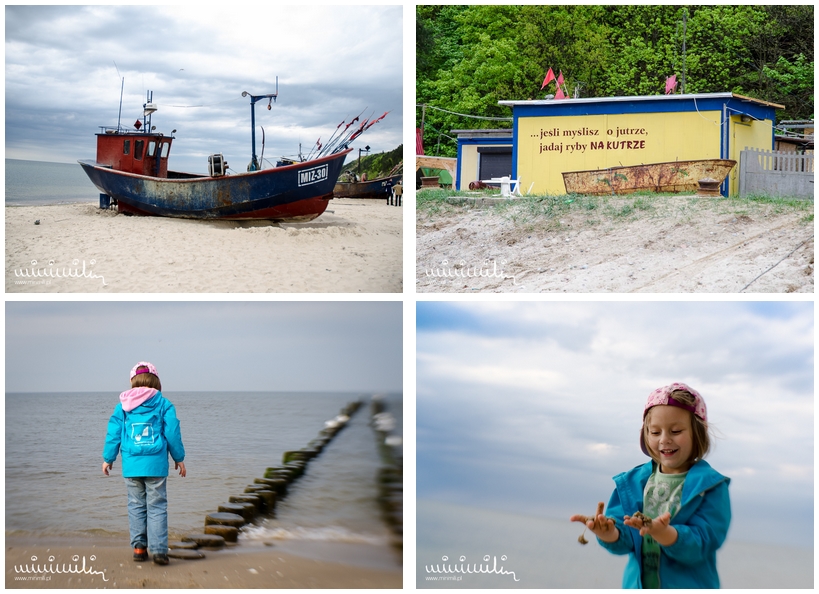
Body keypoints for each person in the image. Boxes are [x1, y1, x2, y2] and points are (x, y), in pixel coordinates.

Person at [571, 383, 730, 588]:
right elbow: (625, 537)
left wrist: (662, 532)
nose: (664, 439)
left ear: (698, 432)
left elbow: (704, 542)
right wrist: (607, 532)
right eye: (655, 432)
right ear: (645, 434)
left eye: (675, 430)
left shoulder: (711, 486)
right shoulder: (633, 482)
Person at [102, 362, 186, 565]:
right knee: (157, 506)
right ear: (157, 381)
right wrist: (179, 458)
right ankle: (159, 551)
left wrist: (108, 458)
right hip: (156, 464)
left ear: (133, 382)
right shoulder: (164, 403)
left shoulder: (123, 405)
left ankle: (139, 549)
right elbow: (172, 432)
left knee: (136, 505)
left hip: (132, 465)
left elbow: (114, 433)